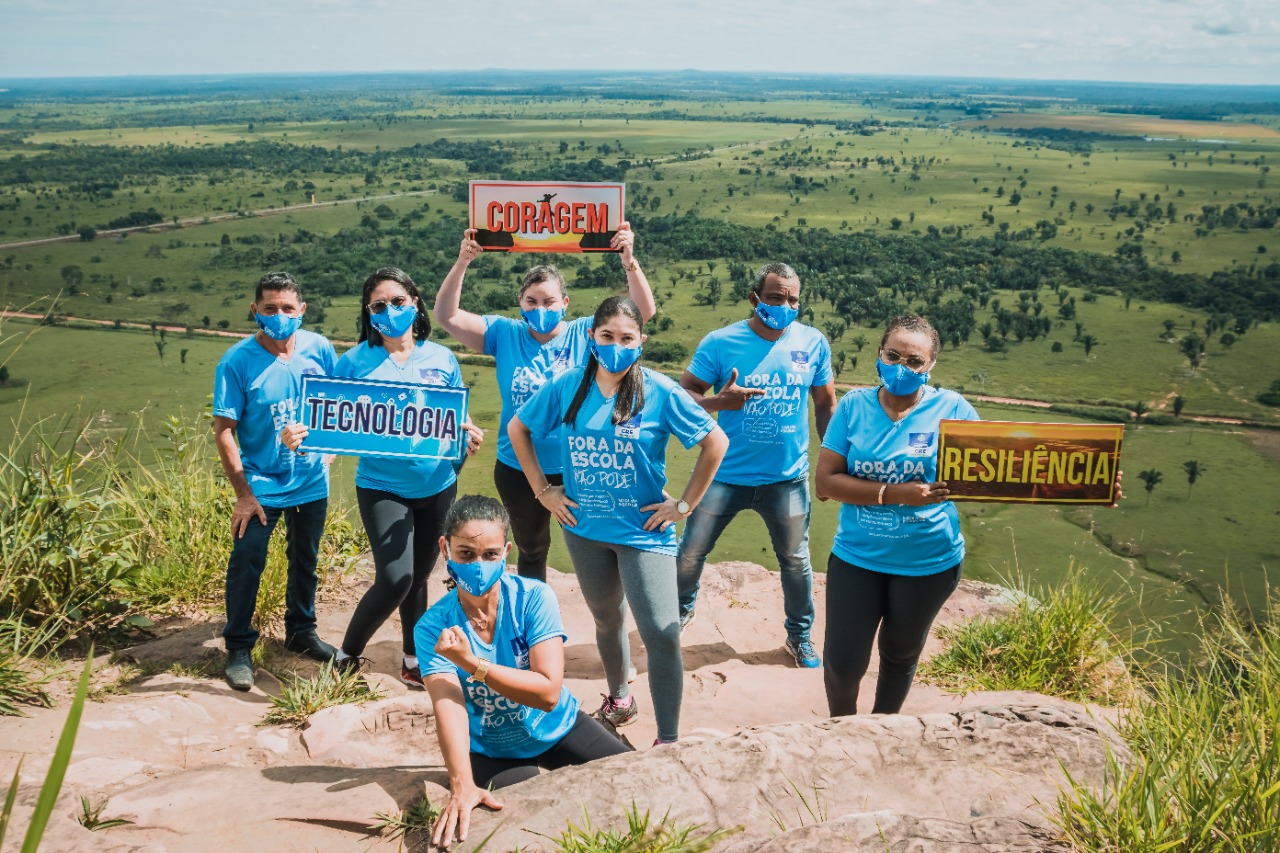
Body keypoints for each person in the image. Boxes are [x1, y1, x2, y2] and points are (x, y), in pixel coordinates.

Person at [508, 296, 728, 745]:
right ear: (592, 338)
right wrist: (543, 491)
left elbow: (715, 443)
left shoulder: (660, 391)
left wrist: (682, 506)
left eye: (626, 338)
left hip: (642, 532)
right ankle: (620, 698)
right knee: (607, 619)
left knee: (662, 634)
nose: (615, 345)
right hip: (585, 528)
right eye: (606, 336)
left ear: (641, 342)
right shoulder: (569, 386)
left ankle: (667, 738)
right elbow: (518, 428)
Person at [281, 268, 483, 687]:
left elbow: (455, 419)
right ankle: (346, 655)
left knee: (420, 577)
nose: (389, 311)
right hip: (382, 486)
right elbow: (326, 419)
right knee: (397, 576)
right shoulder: (353, 361)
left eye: (397, 302)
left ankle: (411, 659)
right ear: (368, 314)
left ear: (415, 304)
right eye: (378, 306)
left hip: (439, 485)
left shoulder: (441, 358)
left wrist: (468, 435)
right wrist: (300, 436)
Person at [433, 224, 656, 582]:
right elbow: (447, 316)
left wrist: (629, 260)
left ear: (564, 304)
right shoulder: (504, 334)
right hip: (519, 467)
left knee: (598, 543)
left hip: (581, 460)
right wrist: (462, 262)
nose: (540, 309)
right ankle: (535, 620)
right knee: (533, 548)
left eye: (549, 301)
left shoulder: (585, 334)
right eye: (531, 301)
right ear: (520, 303)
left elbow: (642, 311)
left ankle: (605, 617)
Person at [418, 495, 631, 850]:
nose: (478, 565)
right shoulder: (432, 627)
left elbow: (547, 694)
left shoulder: (534, 597)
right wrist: (461, 784)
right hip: (492, 748)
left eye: (489, 554)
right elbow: (449, 709)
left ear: (506, 551)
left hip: (560, 727)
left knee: (633, 778)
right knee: (538, 829)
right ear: (445, 548)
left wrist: (472, 664)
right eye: (466, 554)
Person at [813, 314, 978, 715]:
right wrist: (896, 494)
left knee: (899, 655)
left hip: (928, 560)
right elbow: (825, 483)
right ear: (879, 355)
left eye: (915, 361)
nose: (902, 367)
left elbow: (1007, 470)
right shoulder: (853, 407)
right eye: (894, 355)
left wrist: (1084, 488)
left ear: (931, 366)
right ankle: (841, 732)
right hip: (858, 556)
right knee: (842, 665)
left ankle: (884, 731)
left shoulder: (953, 409)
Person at [675, 262, 835, 668]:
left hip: (787, 478)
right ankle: (678, 612)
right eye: (775, 297)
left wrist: (833, 467)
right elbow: (682, 396)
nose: (784, 305)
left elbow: (825, 405)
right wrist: (716, 402)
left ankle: (799, 637)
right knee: (692, 551)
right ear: (755, 298)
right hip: (724, 473)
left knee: (796, 562)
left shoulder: (813, 342)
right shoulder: (720, 342)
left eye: (792, 299)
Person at [212, 271, 338, 691]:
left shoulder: (320, 348)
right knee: (249, 558)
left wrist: (329, 453)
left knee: (306, 559)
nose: (279, 316)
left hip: (311, 477)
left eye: (288, 308)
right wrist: (243, 494)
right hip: (263, 480)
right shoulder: (236, 362)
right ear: (255, 311)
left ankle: (301, 633)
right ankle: (239, 645)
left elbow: (338, 405)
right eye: (270, 309)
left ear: (302, 311)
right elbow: (225, 429)